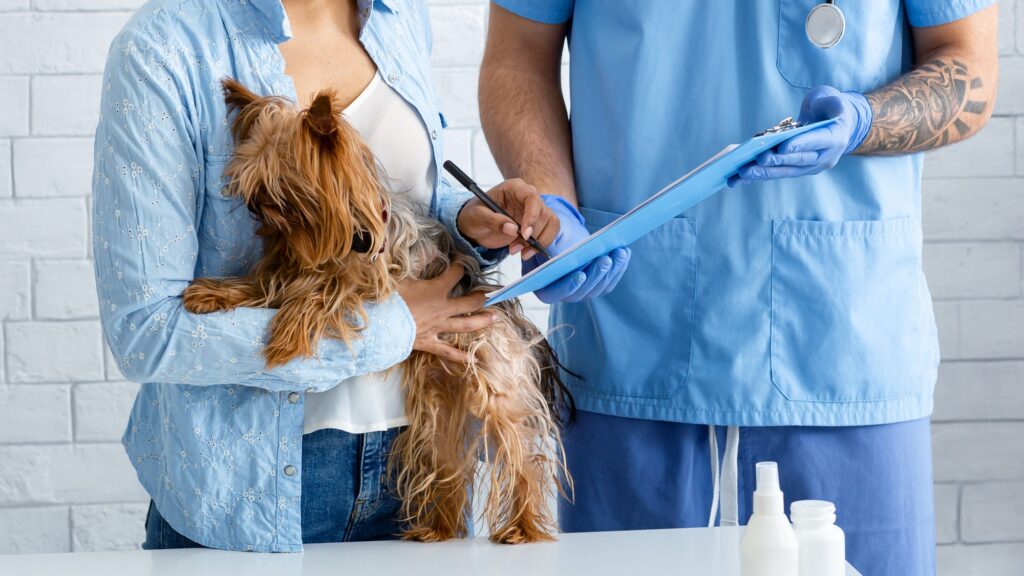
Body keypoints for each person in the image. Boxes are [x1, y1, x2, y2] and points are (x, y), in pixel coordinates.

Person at [478, 1, 998, 573]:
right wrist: (553, 205)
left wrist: (865, 119)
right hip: (631, 337)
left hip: (843, 344)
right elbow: (518, 55)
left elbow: (967, 62)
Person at [92, 0, 624, 552]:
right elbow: (144, 334)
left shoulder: (398, 17)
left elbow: (392, 200)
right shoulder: (166, 48)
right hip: (255, 488)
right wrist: (393, 328)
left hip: (420, 462)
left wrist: (466, 218)